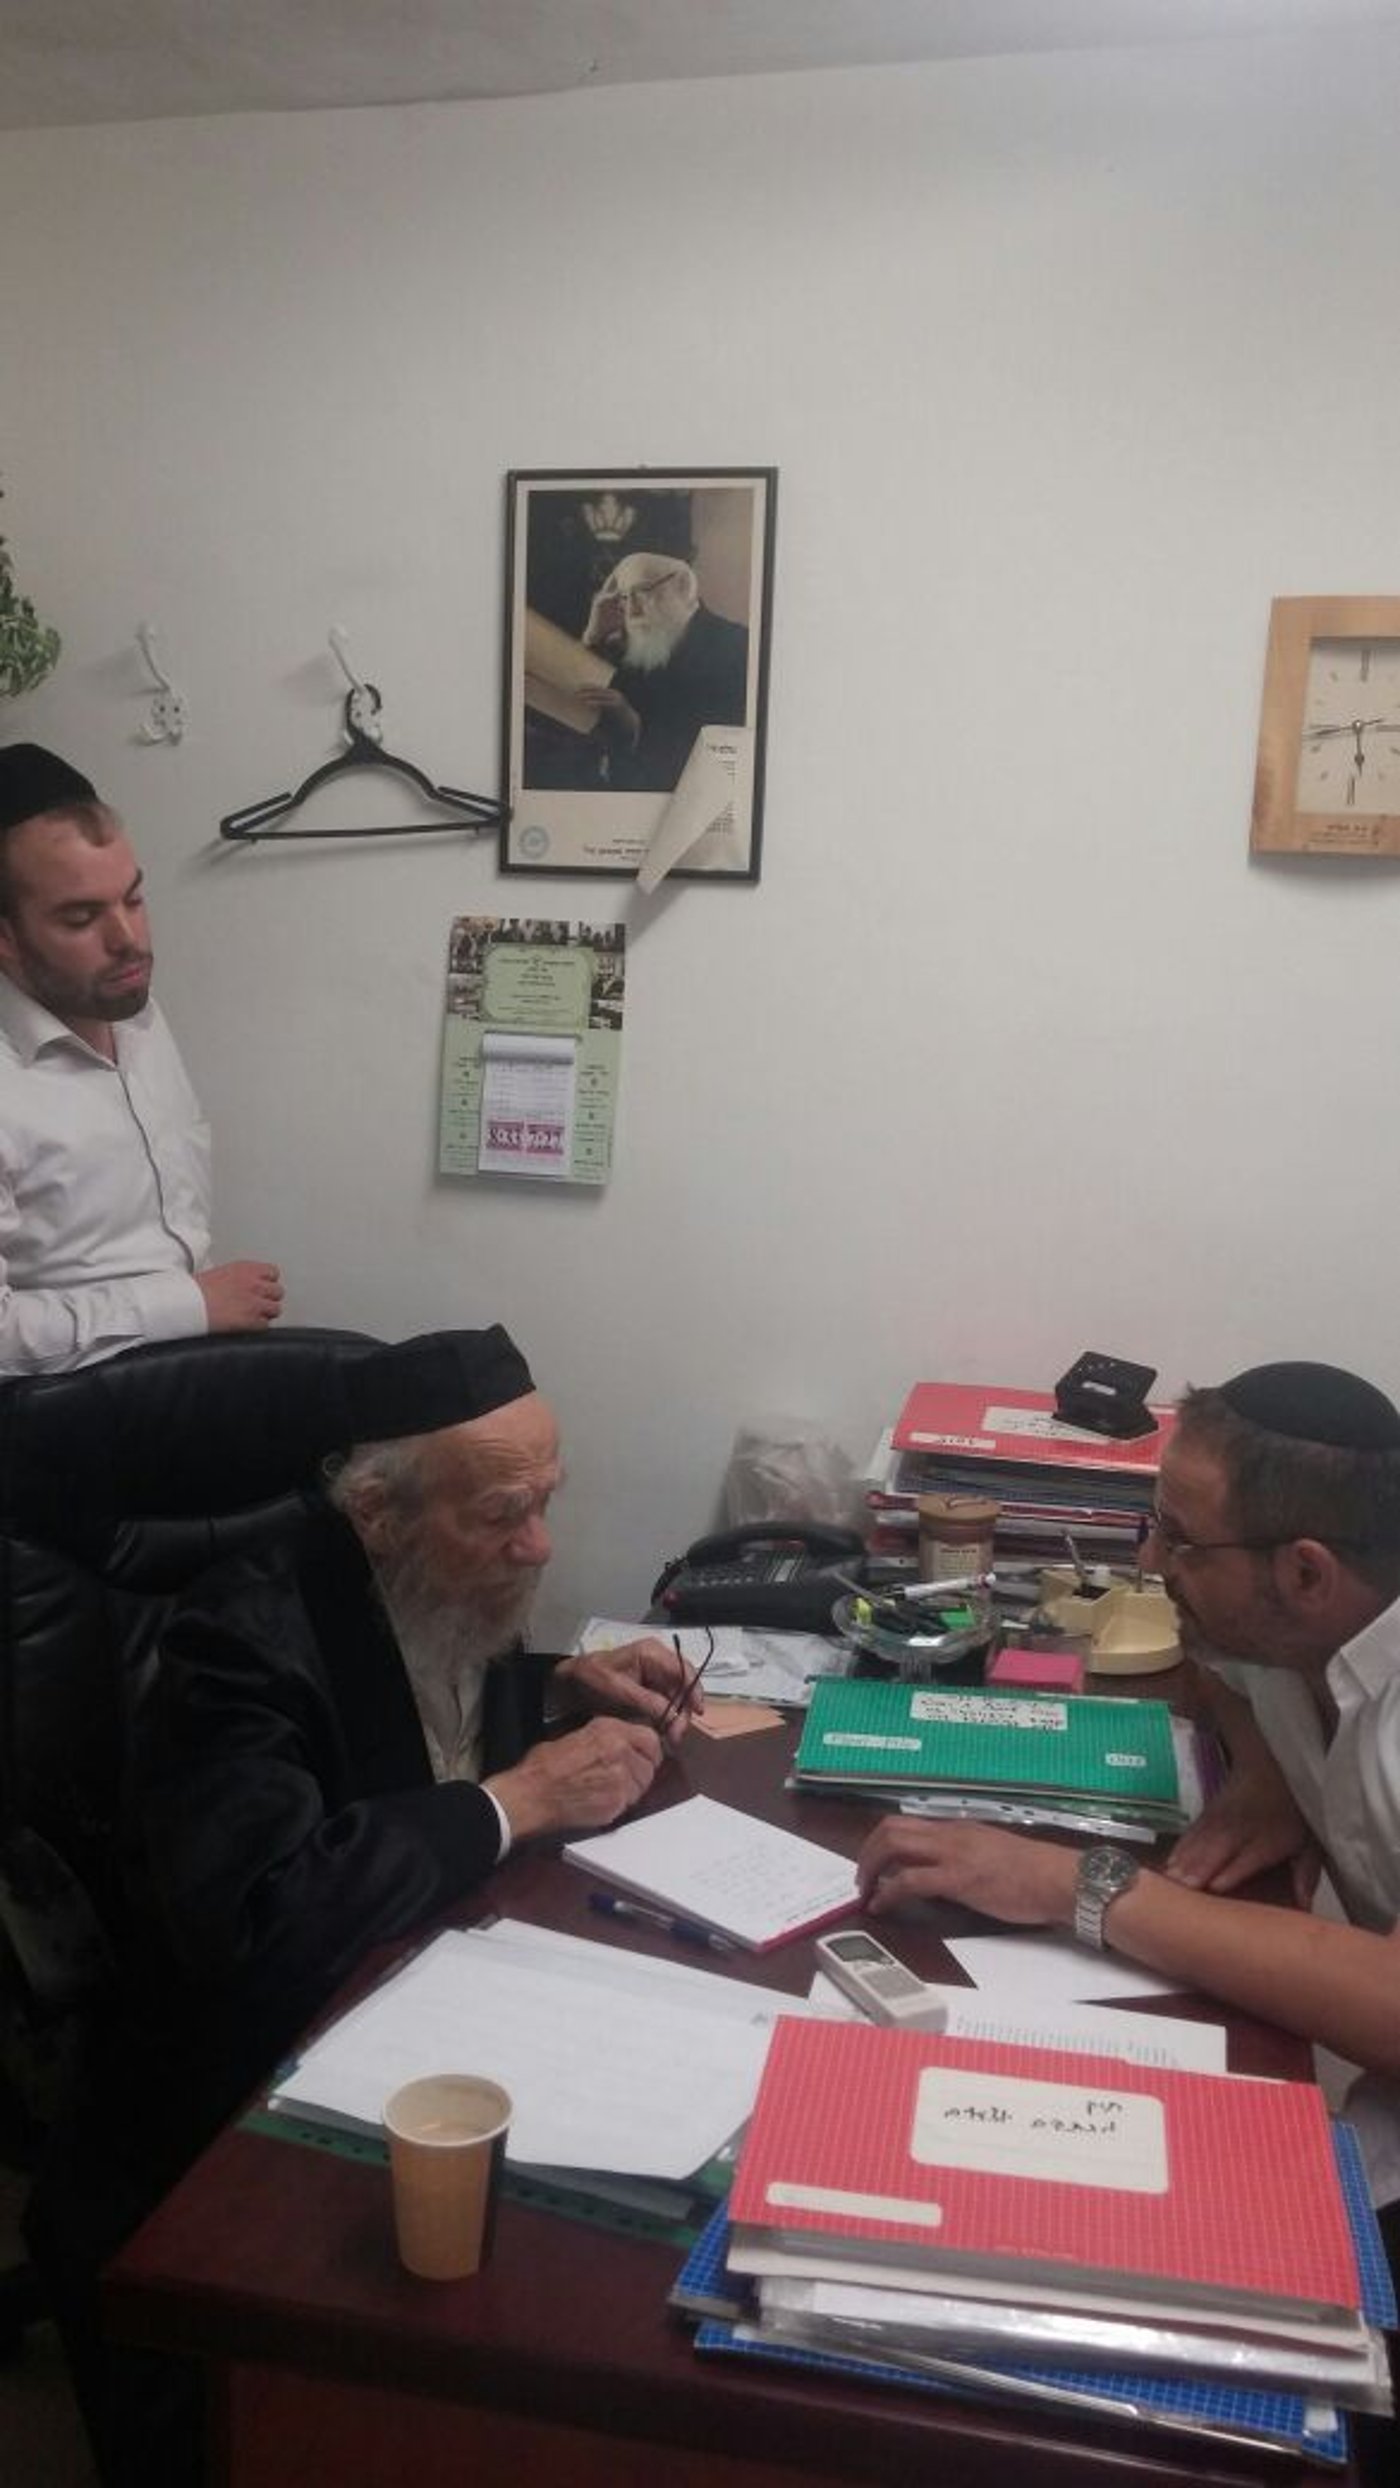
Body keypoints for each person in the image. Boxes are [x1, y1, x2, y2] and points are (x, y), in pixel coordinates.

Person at [25, 1322, 697, 2483]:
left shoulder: (432, 1578)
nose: (538, 1545)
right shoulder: (234, 1636)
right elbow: (265, 1914)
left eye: (546, 1499)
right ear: (377, 1514)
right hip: (224, 2098)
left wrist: (549, 1689)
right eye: (501, 1513)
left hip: (414, 1999)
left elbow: (401, 1724)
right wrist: (519, 1797)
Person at [857, 1363, 1400, 2247]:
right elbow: (1218, 1671)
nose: (1149, 1564)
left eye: (1179, 1541)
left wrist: (1072, 1886)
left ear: (1307, 1573)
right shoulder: (1288, 1627)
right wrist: (1269, 1778)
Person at [0, 740, 282, 1373]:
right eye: (81, 918)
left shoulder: (139, 1018)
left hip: (187, 1375)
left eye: (132, 899)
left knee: (458, 1389)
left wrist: (197, 1314)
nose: (127, 940)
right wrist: (187, 1304)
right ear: (6, 937)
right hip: (58, 1413)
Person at [577, 550, 749, 792]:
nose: (632, 611)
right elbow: (581, 703)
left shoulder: (739, 648)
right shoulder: (633, 647)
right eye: (625, 597)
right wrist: (593, 635)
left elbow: (720, 762)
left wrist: (634, 728)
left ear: (684, 586)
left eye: (642, 591)